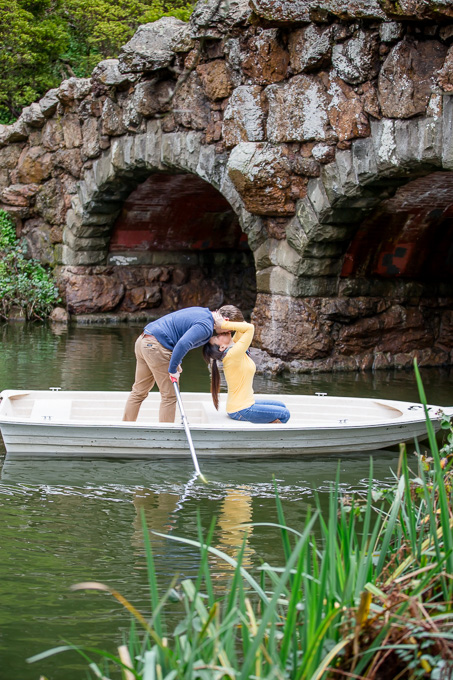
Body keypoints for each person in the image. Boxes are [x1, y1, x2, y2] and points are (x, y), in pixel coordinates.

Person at [123, 306, 236, 423]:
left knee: (138, 391)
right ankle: (166, 435)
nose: (228, 333)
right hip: (156, 346)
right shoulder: (206, 326)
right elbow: (183, 344)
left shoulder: (203, 312)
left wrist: (177, 362)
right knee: (169, 396)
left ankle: (125, 425)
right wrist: (172, 369)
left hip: (143, 340)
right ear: (226, 321)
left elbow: (178, 336)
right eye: (230, 330)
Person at [202, 316, 290, 424]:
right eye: (217, 337)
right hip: (241, 409)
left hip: (244, 404)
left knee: (281, 406)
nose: (219, 334)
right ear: (222, 347)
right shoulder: (232, 355)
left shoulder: (232, 348)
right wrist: (223, 325)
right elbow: (249, 328)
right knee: (284, 414)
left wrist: (225, 323)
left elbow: (242, 325)